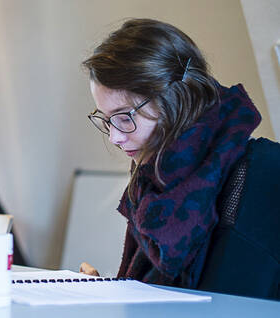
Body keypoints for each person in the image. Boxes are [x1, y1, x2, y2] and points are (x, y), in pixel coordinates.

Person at [79, 18, 262, 288]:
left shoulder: (257, 173)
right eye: (107, 119)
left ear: (174, 100)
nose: (115, 137)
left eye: (125, 117)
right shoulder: (153, 179)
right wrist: (106, 293)